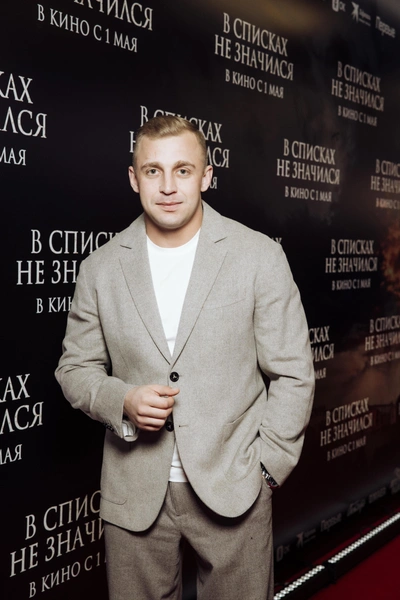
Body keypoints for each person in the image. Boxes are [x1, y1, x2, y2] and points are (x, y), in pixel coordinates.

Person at [56, 115, 315, 600]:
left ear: (206, 176)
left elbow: (294, 372)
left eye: (183, 170)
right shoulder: (100, 268)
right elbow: (74, 368)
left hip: (235, 486)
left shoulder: (258, 256)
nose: (168, 186)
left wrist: (267, 467)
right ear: (134, 178)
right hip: (134, 492)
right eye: (153, 171)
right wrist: (123, 399)